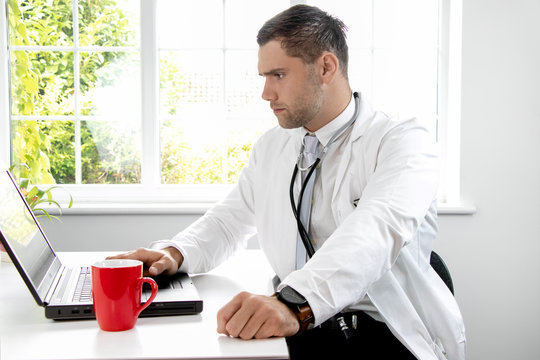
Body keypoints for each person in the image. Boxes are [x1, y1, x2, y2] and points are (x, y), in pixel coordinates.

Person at [111, 5, 466, 360]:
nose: (266, 93)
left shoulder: (402, 140)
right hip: (296, 320)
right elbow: (229, 221)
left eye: (278, 75)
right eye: (264, 77)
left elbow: (376, 230)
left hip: (381, 330)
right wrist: (175, 253)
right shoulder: (273, 146)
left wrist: (294, 303)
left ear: (326, 67)